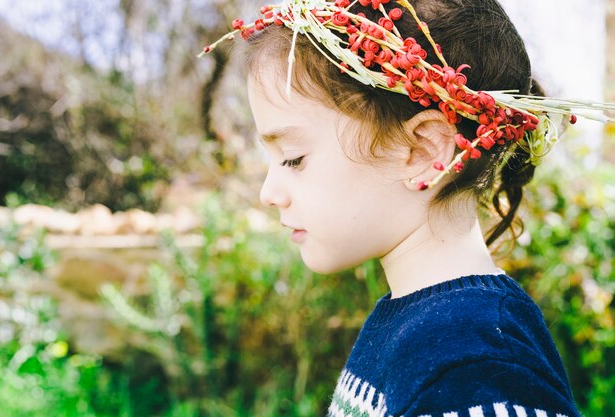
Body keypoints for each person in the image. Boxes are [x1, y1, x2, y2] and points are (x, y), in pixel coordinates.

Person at [200, 1, 613, 416]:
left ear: (423, 150)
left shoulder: (471, 364)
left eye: (293, 158)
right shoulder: (424, 328)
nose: (268, 192)